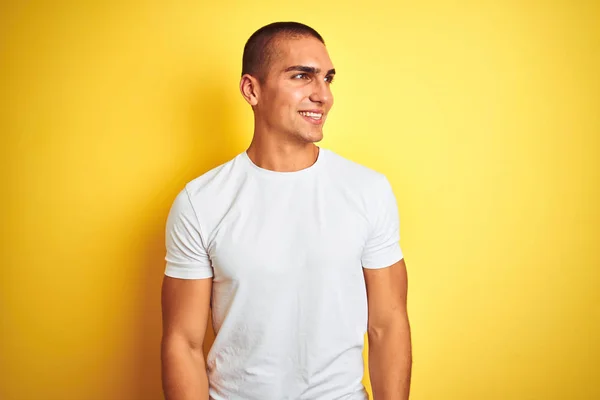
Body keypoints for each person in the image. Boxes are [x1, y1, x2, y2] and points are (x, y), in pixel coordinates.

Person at [160, 21, 412, 400]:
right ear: (251, 89)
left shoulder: (367, 190)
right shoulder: (201, 201)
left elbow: (388, 324)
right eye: (302, 76)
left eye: (327, 78)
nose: (322, 95)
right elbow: (183, 342)